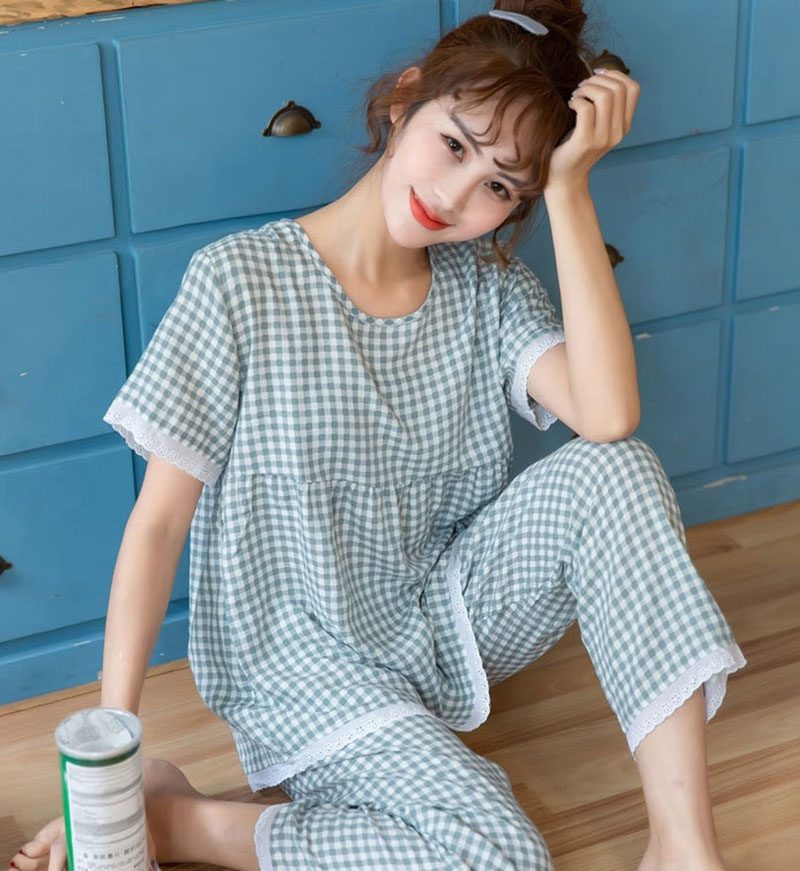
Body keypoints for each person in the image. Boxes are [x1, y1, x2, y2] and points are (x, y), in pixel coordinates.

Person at [10, 3, 746, 870]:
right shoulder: (242, 283)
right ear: (404, 101)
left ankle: (682, 847)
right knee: (496, 856)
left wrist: (572, 189)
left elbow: (608, 415)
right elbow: (160, 523)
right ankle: (181, 821)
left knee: (617, 469)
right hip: (305, 667)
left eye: (502, 188)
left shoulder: (487, 287)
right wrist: (116, 747)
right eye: (456, 145)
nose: (456, 197)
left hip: (438, 624)